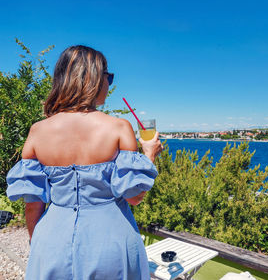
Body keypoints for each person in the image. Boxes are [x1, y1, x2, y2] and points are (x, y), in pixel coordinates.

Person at [6, 45, 163, 279]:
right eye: (108, 76)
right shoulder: (119, 127)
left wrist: (36, 240)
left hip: (50, 241)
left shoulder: (37, 131)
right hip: (112, 243)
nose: (109, 84)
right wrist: (149, 154)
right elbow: (134, 196)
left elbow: (33, 203)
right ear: (92, 79)